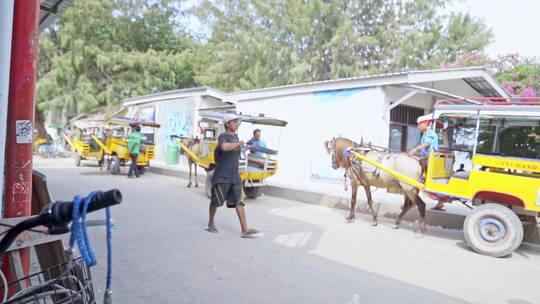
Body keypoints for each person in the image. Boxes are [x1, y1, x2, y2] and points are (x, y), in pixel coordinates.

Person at [207, 114, 258, 238]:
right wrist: (239, 143)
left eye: (237, 122)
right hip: (223, 175)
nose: (236, 124)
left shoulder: (235, 136)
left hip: (235, 176)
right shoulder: (223, 136)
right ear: (227, 124)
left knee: (239, 202)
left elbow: (235, 151)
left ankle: (245, 229)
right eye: (234, 122)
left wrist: (245, 147)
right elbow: (224, 147)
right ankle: (211, 222)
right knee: (216, 201)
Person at [408, 115, 445, 210]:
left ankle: (413, 199)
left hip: (431, 159)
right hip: (425, 158)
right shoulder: (425, 133)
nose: (418, 127)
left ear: (425, 124)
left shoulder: (430, 133)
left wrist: (415, 149)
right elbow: (422, 146)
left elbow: (426, 144)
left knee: (419, 178)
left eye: (419, 124)